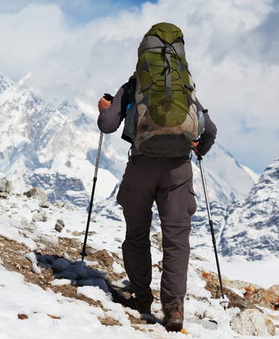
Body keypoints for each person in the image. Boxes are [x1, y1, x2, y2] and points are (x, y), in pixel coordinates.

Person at [96, 22, 217, 332]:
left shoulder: (136, 84)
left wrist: (105, 108)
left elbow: (108, 126)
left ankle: (140, 296)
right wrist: (196, 147)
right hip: (178, 170)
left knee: (137, 233)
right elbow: (210, 130)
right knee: (176, 240)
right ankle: (174, 308)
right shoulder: (185, 88)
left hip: (141, 167)